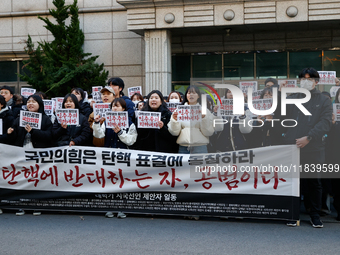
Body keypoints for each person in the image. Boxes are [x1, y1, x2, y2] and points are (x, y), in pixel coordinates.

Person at [274, 67, 333, 228]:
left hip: (314, 147)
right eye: (303, 78)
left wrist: (309, 137)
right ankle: (293, 213)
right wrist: (280, 94)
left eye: (309, 78)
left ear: (316, 82)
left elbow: (325, 122)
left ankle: (315, 214)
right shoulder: (293, 97)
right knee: (293, 181)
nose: (305, 81)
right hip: (292, 147)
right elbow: (280, 115)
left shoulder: (324, 100)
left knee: (314, 182)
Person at [168, 85, 219, 154]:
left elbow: (209, 132)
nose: (191, 95)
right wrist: (174, 120)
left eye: (194, 93)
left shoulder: (205, 111)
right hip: (183, 147)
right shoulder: (178, 111)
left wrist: (204, 118)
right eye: (189, 93)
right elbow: (174, 132)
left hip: (200, 147)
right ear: (186, 95)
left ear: (198, 96)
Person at [209, 88, 252, 152]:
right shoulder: (219, 108)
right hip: (222, 148)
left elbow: (246, 130)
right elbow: (217, 129)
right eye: (229, 92)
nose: (231, 94)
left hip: (240, 148)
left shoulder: (246, 109)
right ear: (226, 94)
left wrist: (243, 116)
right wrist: (216, 114)